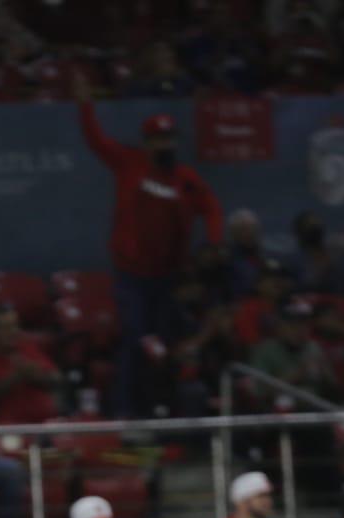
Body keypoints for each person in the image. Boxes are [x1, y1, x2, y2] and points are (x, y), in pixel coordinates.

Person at [73, 72, 223, 415]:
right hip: (132, 277)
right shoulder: (130, 163)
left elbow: (212, 209)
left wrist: (214, 242)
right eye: (157, 140)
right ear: (147, 142)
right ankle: (125, 413)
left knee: (165, 343)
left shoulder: (185, 179)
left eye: (168, 139)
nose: (164, 145)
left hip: (168, 278)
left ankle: (164, 409)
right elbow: (96, 140)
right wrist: (85, 105)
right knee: (136, 339)